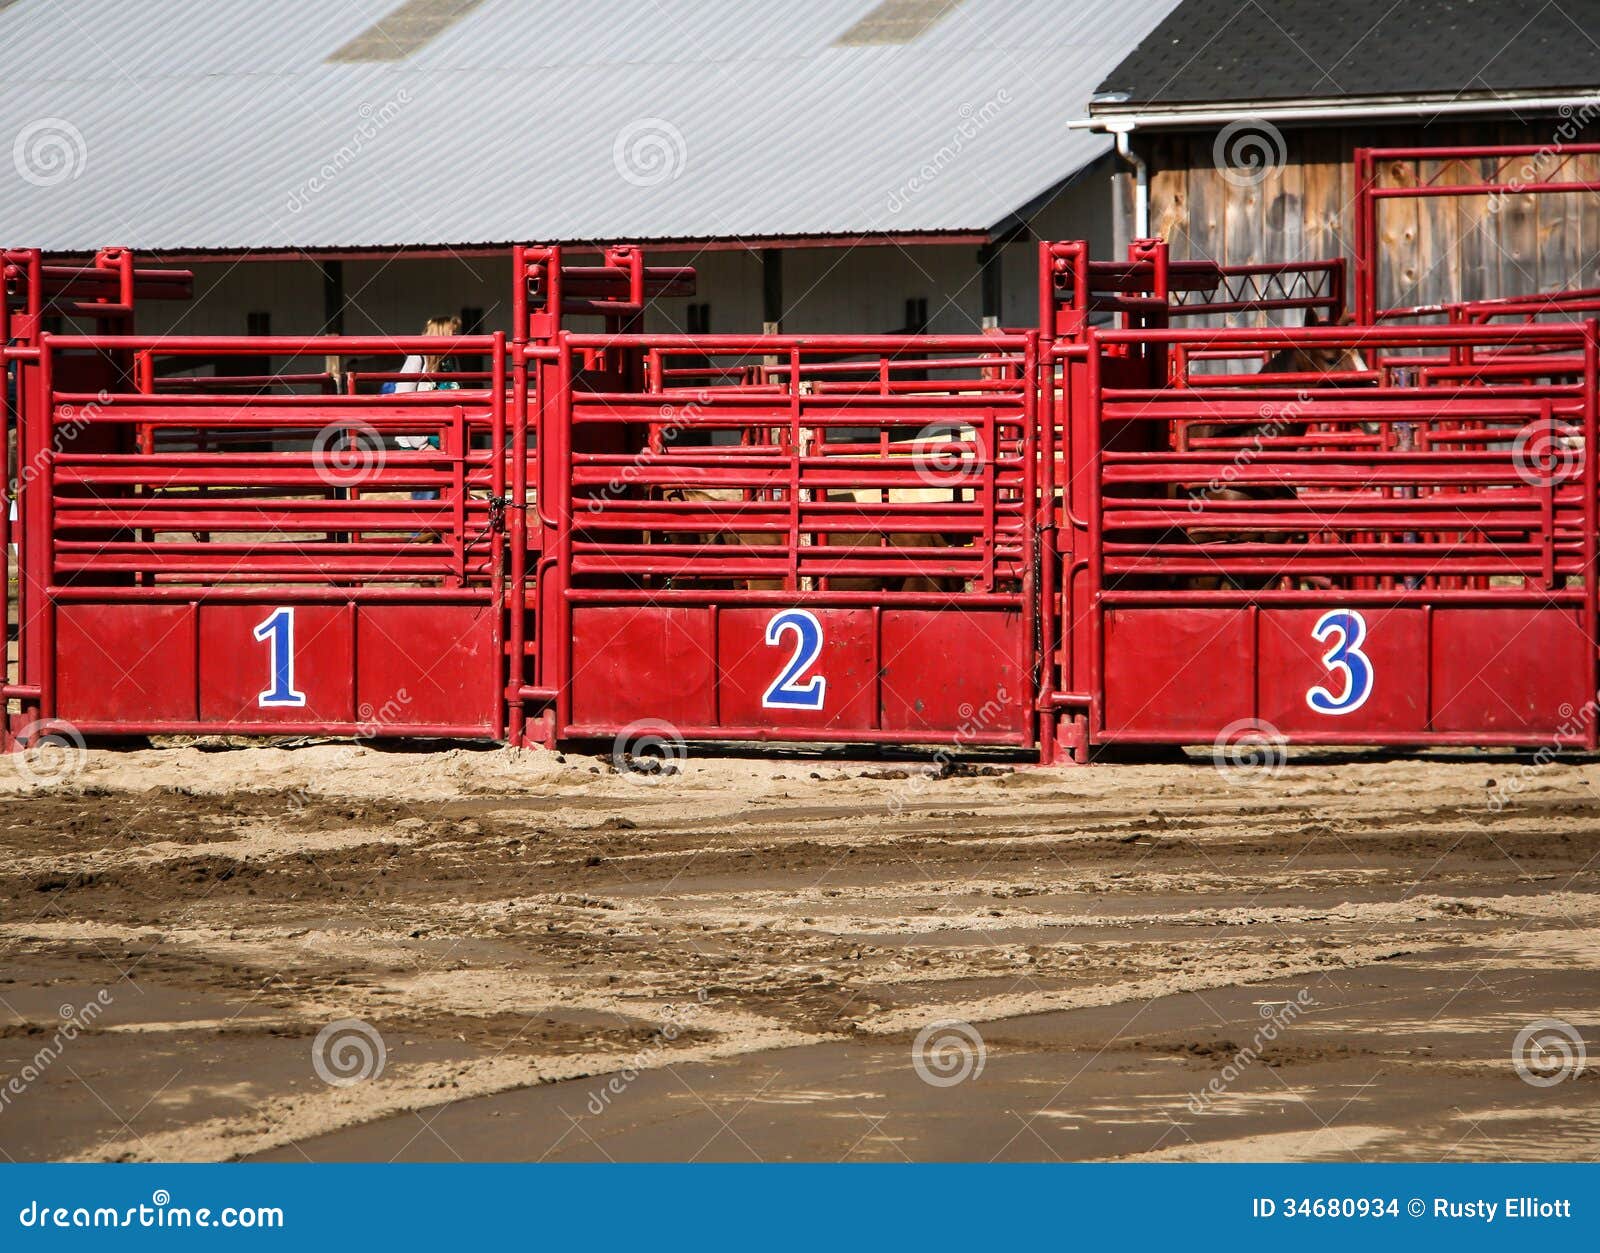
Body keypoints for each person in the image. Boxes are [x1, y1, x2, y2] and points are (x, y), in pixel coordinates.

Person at [391, 315, 461, 499]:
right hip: (422, 442)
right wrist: (422, 445)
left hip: (445, 441)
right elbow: (403, 401)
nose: (457, 338)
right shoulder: (418, 359)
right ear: (442, 334)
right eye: (452, 333)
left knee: (447, 497)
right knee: (428, 499)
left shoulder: (449, 361)